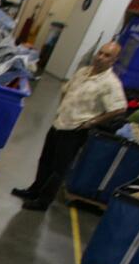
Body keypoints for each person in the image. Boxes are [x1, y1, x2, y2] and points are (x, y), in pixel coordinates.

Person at [13, 41, 127, 211]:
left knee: (58, 169)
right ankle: (34, 190)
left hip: (75, 130)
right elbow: (66, 90)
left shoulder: (110, 83)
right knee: (46, 160)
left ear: (114, 60)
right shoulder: (83, 72)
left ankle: (43, 201)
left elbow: (120, 107)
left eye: (107, 55)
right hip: (59, 123)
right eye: (100, 53)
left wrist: (92, 122)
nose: (101, 57)